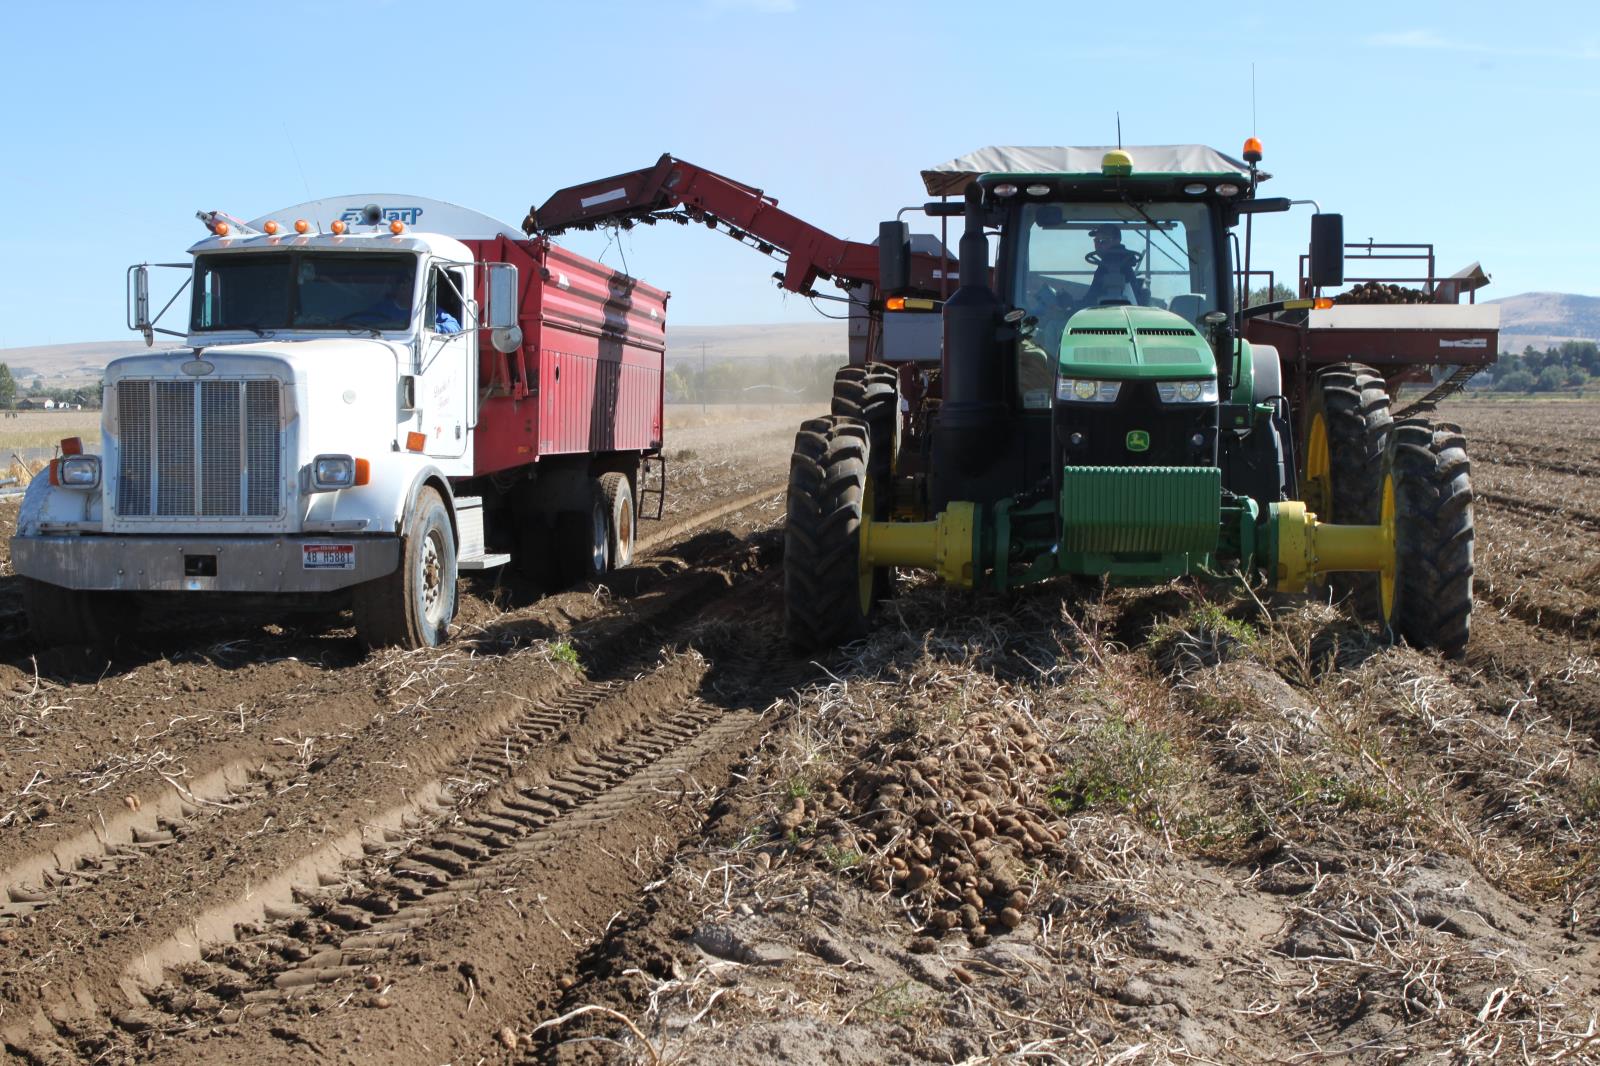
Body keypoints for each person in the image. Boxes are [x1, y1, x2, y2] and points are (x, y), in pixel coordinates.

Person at [1083, 225, 1149, 308]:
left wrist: (1073, 305)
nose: (1097, 246)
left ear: (1116, 241)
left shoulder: (1109, 266)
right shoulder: (1124, 263)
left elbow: (1090, 300)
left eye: (1102, 241)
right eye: (1096, 241)